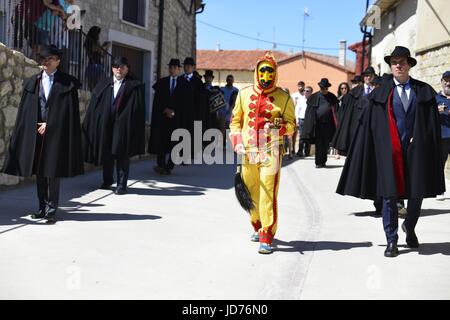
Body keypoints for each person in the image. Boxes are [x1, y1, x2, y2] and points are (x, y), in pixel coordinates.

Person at [337, 46, 445, 257]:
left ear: (409, 65)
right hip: (389, 152)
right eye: (394, 62)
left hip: (416, 151)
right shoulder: (380, 94)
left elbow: (431, 125)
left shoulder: (423, 91)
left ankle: (410, 228)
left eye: (402, 61)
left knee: (417, 194)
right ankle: (391, 239)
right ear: (390, 66)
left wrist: (422, 138)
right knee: (389, 196)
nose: (398, 65)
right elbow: (371, 126)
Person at [2, 45, 83, 223]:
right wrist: (36, 126)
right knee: (39, 171)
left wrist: (49, 126)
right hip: (37, 132)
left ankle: (52, 209)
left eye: (50, 59)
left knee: (52, 171)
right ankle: (42, 207)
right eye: (44, 60)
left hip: (56, 133)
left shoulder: (67, 83)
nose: (46, 62)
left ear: (58, 61)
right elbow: (27, 111)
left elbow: (67, 114)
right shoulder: (33, 82)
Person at [229, 51, 296, 254]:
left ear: (275, 74)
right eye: (262, 72)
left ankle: (267, 234)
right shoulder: (244, 93)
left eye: (270, 72)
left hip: (271, 152)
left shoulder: (284, 98)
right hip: (248, 151)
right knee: (251, 191)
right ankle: (257, 224)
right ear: (257, 73)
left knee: (268, 192)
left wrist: (280, 128)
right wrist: (237, 141)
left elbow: (291, 125)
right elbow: (235, 121)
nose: (266, 76)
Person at [82, 56, 145, 195]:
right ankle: (107, 180)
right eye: (116, 66)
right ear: (112, 69)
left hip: (123, 126)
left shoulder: (134, 86)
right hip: (106, 124)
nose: (119, 69)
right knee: (107, 153)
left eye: (122, 67)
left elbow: (137, 109)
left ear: (127, 69)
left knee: (122, 154)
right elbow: (95, 106)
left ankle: (121, 185)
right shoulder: (104, 84)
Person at [148, 59, 183, 175]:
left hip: (177, 119)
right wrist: (165, 109)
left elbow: (186, 104)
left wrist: (175, 112)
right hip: (162, 119)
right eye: (170, 67)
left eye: (174, 68)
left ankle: (170, 166)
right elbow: (157, 101)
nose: (172, 70)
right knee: (161, 141)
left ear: (179, 69)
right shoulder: (162, 83)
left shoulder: (185, 85)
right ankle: (161, 165)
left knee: (175, 142)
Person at [332, 66, 376, 156]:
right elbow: (347, 108)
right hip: (357, 124)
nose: (368, 77)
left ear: (373, 77)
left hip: (371, 124)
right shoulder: (355, 91)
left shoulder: (377, 91)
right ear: (364, 77)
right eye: (366, 75)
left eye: (370, 75)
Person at [302, 78, 339, 168]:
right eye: (323, 88)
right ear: (320, 88)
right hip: (317, 125)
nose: (324, 90)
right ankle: (318, 162)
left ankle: (323, 161)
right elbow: (309, 113)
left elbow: (336, 111)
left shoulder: (332, 97)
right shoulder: (313, 97)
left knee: (326, 143)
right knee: (319, 144)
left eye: (326, 88)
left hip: (328, 125)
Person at [436, 71, 450, 200]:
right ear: (441, 82)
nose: (448, 83)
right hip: (443, 136)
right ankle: (440, 190)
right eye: (445, 80)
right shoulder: (436, 98)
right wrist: (436, 111)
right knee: (440, 163)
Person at [84, 26, 111, 91]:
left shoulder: (96, 42)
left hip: (97, 66)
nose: (99, 35)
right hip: (94, 66)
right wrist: (102, 46)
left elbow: (102, 55)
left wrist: (106, 47)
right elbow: (94, 49)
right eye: (98, 33)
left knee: (97, 88)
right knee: (95, 88)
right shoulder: (90, 41)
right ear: (95, 34)